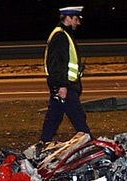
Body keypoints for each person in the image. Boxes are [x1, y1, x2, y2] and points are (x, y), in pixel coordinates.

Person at [40, 5, 92, 143]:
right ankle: (91, 143)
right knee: (78, 117)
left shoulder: (63, 34)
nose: (78, 23)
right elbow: (57, 64)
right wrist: (62, 86)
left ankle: (43, 142)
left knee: (54, 116)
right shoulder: (60, 36)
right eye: (76, 19)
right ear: (68, 18)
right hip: (65, 86)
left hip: (64, 85)